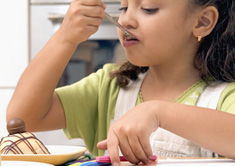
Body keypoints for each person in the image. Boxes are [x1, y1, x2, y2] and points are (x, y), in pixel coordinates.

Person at [6, 0, 235, 165]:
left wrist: (157, 112)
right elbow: (24, 118)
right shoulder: (110, 87)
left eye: (148, 9)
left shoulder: (225, 96)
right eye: (123, 7)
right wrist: (65, 37)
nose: (125, 19)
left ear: (202, 22)